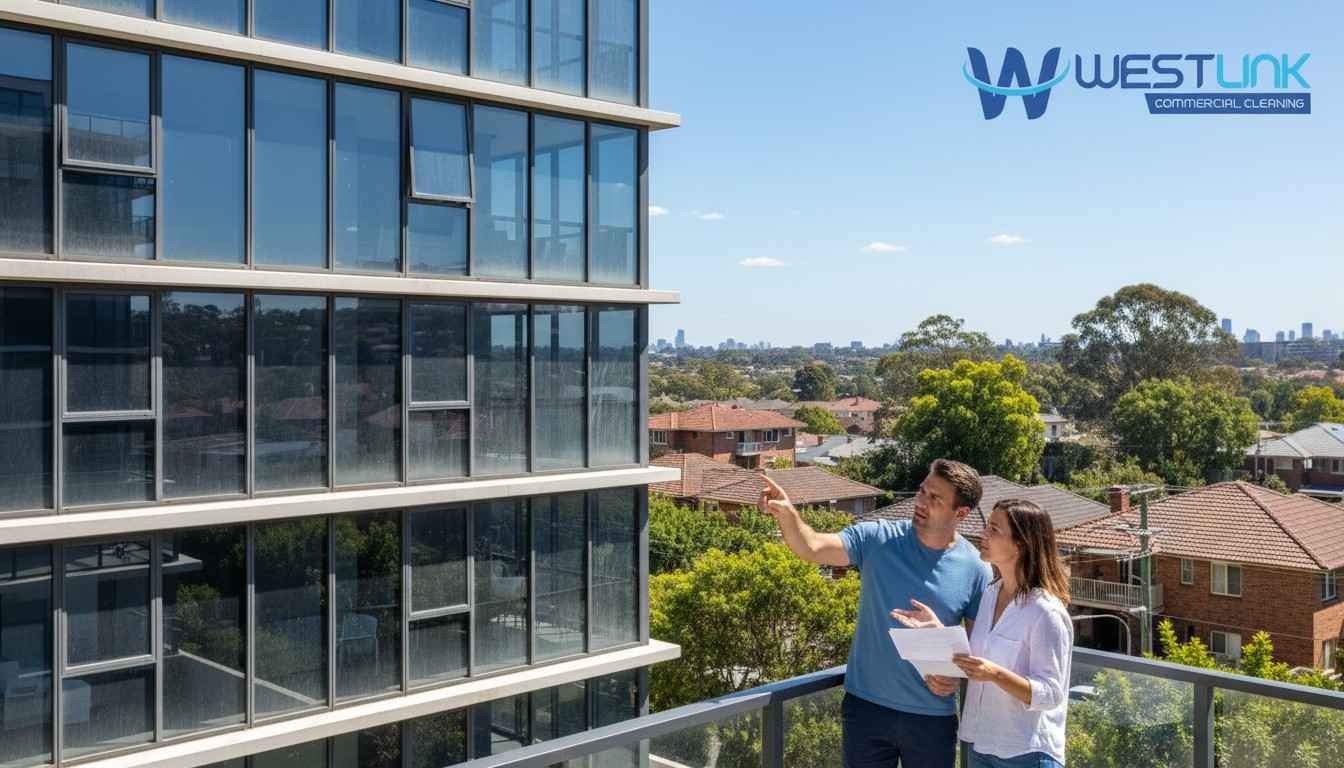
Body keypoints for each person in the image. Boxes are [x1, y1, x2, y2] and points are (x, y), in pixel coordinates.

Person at [759, 459, 992, 768]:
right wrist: (788, 515)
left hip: (932, 719)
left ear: (960, 513)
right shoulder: (877, 538)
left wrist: (956, 674)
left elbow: (979, 649)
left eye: (935, 498)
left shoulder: (976, 569)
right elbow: (813, 547)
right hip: (866, 709)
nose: (921, 501)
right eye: (922, 491)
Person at [892, 498, 1073, 768]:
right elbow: (980, 658)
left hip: (1027, 754)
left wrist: (994, 674)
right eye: (987, 526)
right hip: (980, 745)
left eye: (994, 530)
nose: (983, 534)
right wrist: (938, 630)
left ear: (1020, 544)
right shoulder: (990, 594)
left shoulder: (1046, 612)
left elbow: (1051, 694)